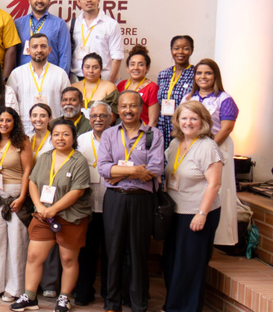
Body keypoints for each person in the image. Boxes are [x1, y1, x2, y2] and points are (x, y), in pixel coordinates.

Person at [12, 118, 93, 312]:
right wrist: (39, 205)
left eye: (66, 134)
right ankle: (30, 297)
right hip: (42, 215)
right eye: (56, 134)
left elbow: (78, 191)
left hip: (71, 217)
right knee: (33, 256)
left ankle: (64, 298)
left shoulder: (79, 160)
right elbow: (32, 181)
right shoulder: (45, 157)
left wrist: (53, 209)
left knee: (68, 259)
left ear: (74, 138)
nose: (60, 138)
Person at [97, 91, 165, 312]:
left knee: (138, 251)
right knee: (113, 251)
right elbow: (103, 168)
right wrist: (135, 170)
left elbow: (155, 169)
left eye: (133, 106)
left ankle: (139, 304)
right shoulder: (109, 134)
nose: (128, 110)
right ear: (117, 109)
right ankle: (112, 303)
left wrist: (119, 173)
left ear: (141, 108)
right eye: (124, 106)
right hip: (115, 200)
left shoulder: (154, 134)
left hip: (142, 200)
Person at [163, 101, 225, 312]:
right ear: (177, 121)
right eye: (184, 118)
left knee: (190, 265)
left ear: (203, 121)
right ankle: (173, 306)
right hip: (176, 213)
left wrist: (201, 214)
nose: (188, 123)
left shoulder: (207, 146)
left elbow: (214, 184)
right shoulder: (174, 144)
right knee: (173, 262)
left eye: (193, 118)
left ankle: (187, 309)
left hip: (197, 213)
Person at [183, 59, 240, 248]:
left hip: (217, 147)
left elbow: (226, 128)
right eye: (199, 73)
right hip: (192, 148)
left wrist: (207, 148)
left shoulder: (225, 99)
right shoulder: (189, 98)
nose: (203, 77)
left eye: (208, 73)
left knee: (218, 190)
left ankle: (220, 239)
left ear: (215, 75)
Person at [0, 107, 34, 301]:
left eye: (8, 120)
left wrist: (22, 197)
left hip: (16, 196)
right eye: (0, 120)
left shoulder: (23, 141)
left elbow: (28, 171)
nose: (4, 123)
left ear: (15, 123)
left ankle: (14, 288)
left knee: (17, 243)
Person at [73, 101, 113, 307]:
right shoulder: (81, 140)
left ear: (110, 118)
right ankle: (83, 291)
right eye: (95, 116)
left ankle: (109, 293)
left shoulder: (117, 138)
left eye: (103, 116)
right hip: (86, 204)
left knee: (110, 252)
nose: (98, 119)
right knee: (86, 251)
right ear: (90, 119)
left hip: (111, 204)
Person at [7, 34, 71, 130]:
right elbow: (10, 104)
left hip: (53, 130)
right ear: (28, 50)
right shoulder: (17, 74)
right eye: (35, 46)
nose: (39, 50)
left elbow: (66, 103)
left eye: (43, 46)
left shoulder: (60, 74)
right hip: (24, 130)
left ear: (49, 50)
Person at [70, 0, 123, 82]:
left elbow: (117, 56)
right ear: (78, 2)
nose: (88, 0)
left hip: (102, 78)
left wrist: (109, 83)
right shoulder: (72, 24)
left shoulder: (111, 24)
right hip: (76, 78)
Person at [14, 0, 71, 71]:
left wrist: (62, 78)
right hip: (23, 76)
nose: (39, 1)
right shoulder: (18, 23)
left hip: (50, 75)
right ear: (30, 0)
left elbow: (65, 55)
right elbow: (12, 53)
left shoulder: (60, 24)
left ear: (49, 0)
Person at [158, 36, 197, 148]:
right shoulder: (163, 74)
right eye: (176, 48)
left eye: (185, 48)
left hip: (185, 126)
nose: (180, 52)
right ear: (171, 50)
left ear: (191, 51)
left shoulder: (195, 74)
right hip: (163, 125)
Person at [118, 46, 160, 126]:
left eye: (140, 65)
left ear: (147, 68)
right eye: (132, 64)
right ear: (127, 68)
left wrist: (146, 137)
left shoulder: (152, 88)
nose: (136, 68)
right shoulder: (121, 85)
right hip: (122, 133)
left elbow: (153, 121)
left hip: (142, 133)